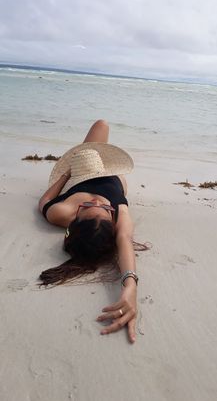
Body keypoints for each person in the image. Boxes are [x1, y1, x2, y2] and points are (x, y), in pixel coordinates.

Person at [38, 119, 144, 343]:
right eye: (104, 209)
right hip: (114, 177)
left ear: (75, 219)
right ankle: (99, 161)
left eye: (88, 207)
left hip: (82, 170)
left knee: (100, 128)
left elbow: (44, 200)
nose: (97, 202)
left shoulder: (62, 212)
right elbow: (124, 238)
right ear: (111, 219)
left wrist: (65, 175)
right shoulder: (119, 212)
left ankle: (86, 160)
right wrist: (130, 285)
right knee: (102, 126)